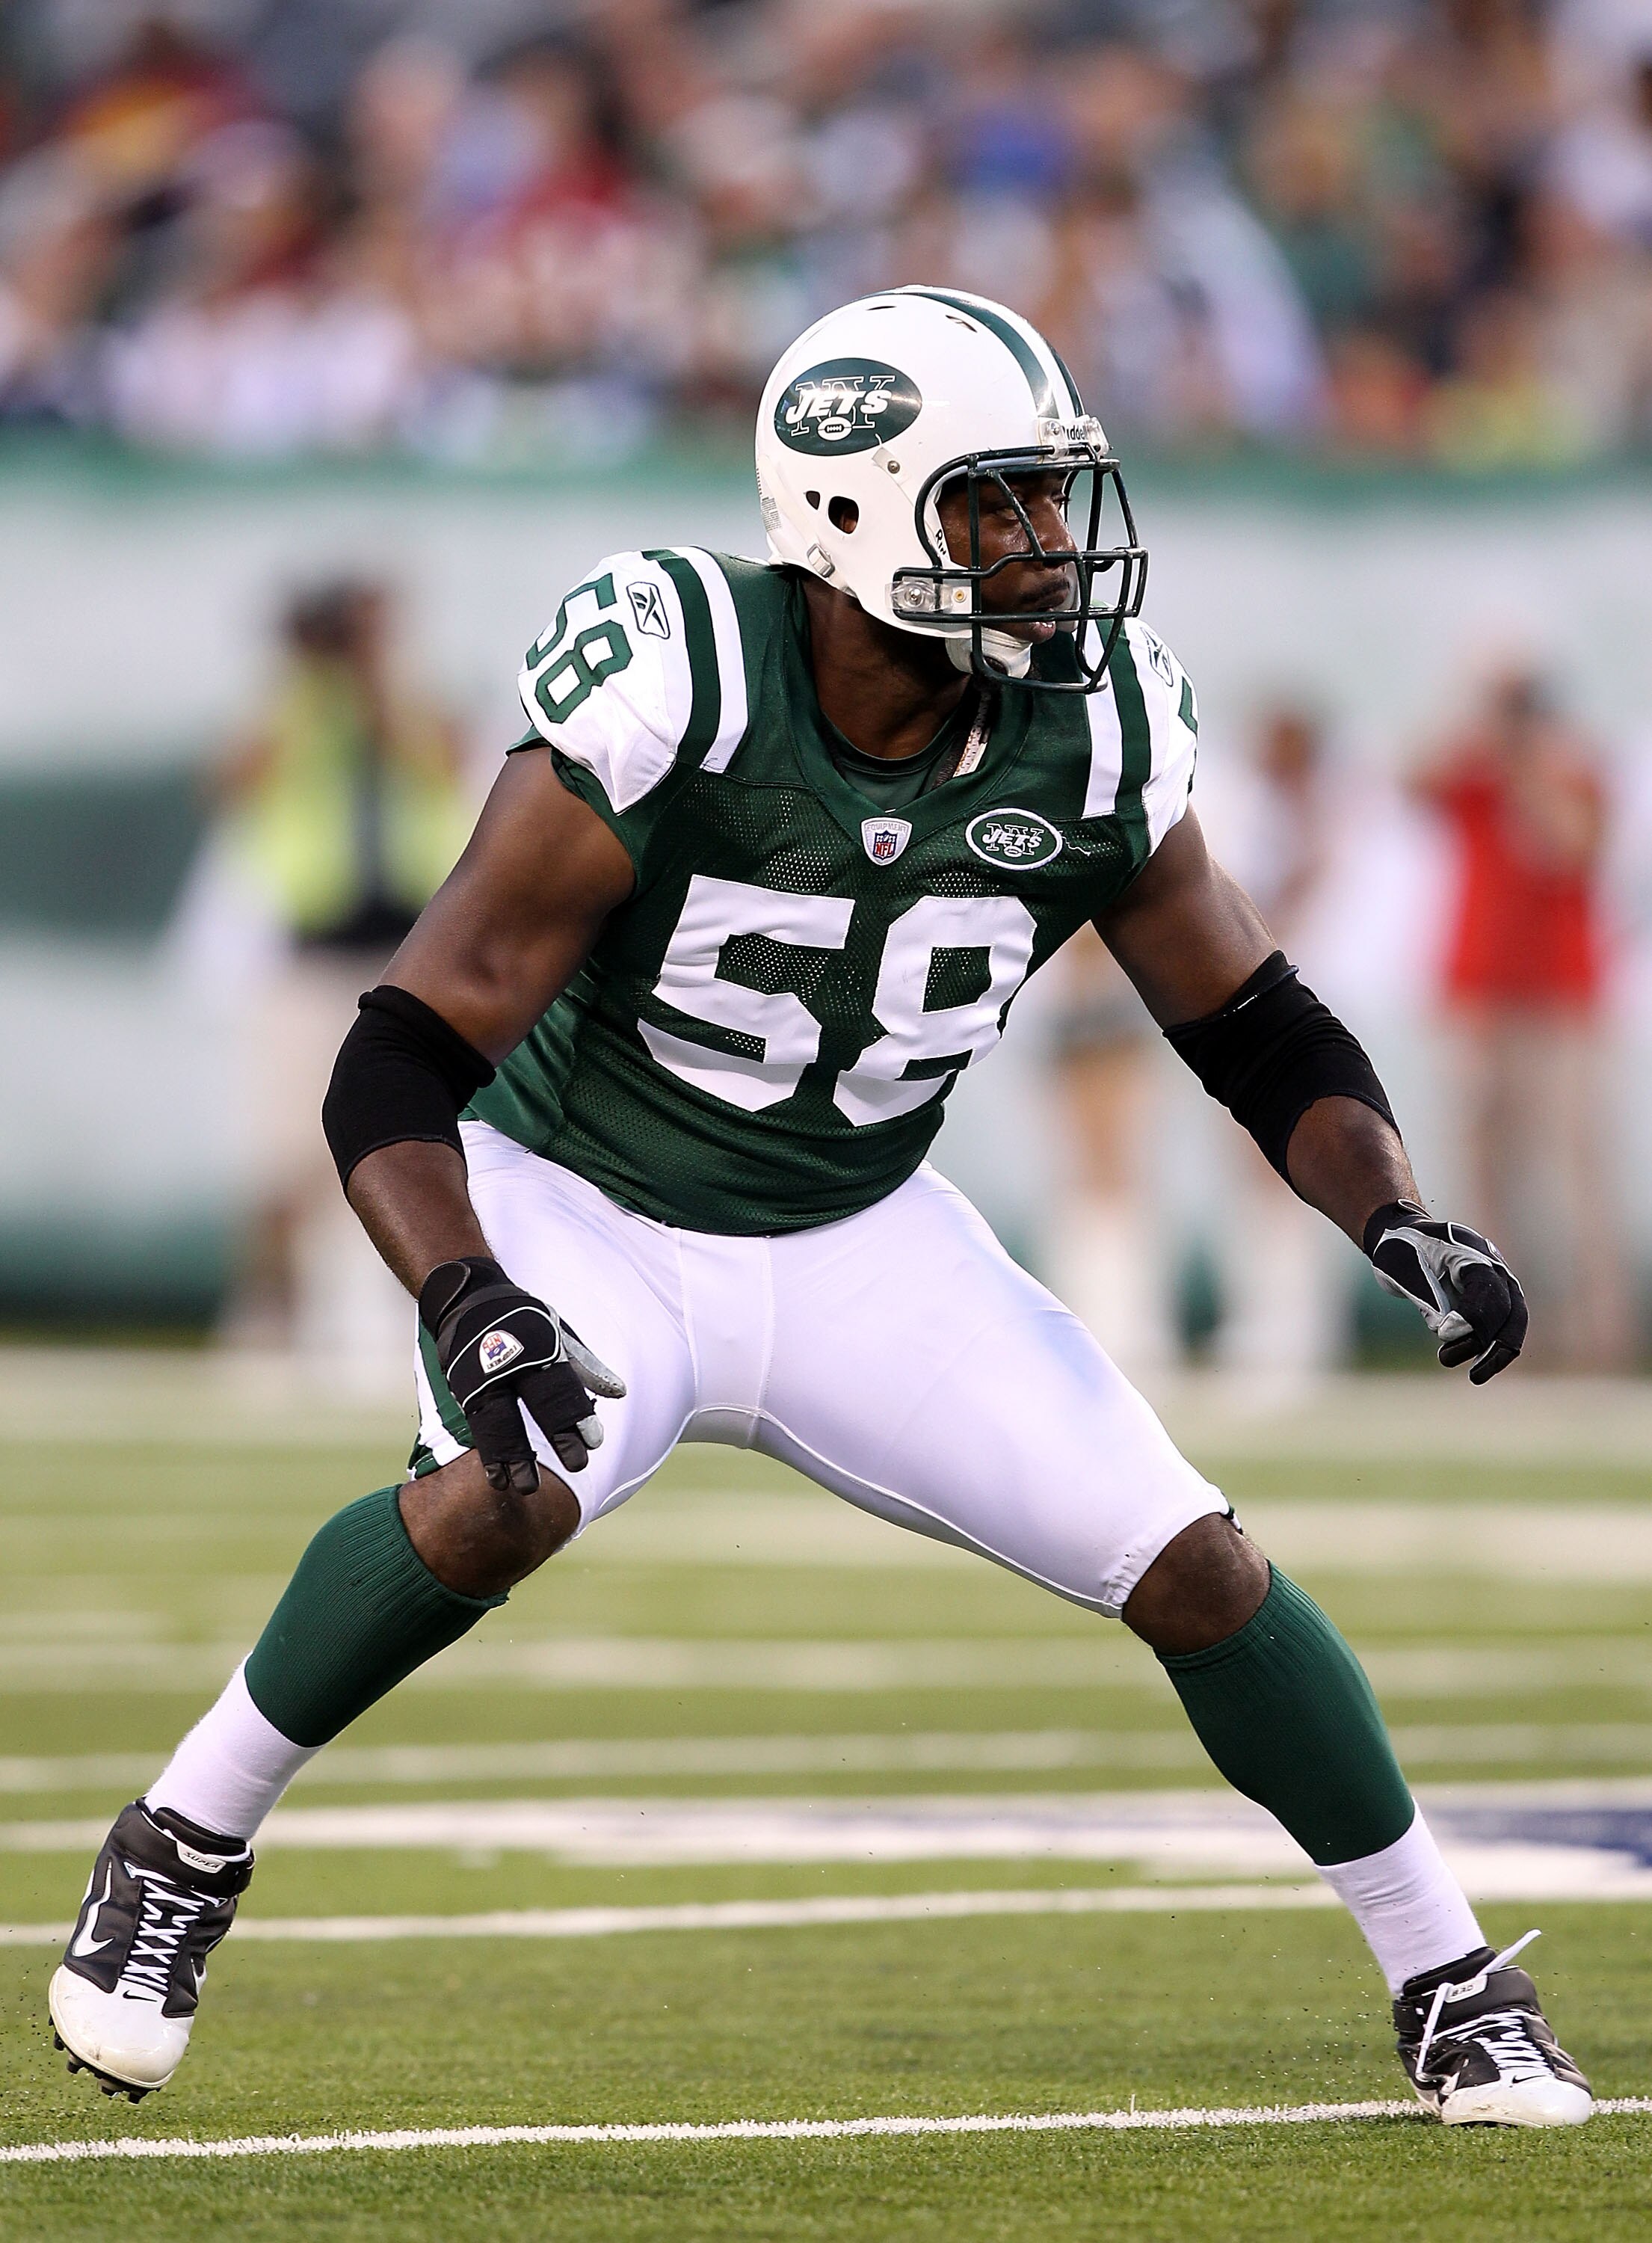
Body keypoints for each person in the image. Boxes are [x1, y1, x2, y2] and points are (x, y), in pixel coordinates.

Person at [50, 286, 1585, 2129]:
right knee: (500, 1494)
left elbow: (1249, 1018)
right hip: (583, 1197)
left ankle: (1449, 1979)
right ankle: (182, 1839)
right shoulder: (684, 668)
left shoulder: (1089, 722)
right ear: (850, 518)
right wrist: (470, 1292)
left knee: (1196, 1562)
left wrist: (1394, 1216)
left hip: (859, 1230)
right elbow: (396, 1053)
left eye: (1046, 501)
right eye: (990, 505)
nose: (1039, 549)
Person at [213, 577, 468, 1352]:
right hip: (311, 948)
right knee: (284, 1151)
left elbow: (442, 761)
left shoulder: (411, 703)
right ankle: (268, 1318)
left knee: (420, 1139)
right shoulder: (293, 709)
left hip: (405, 956)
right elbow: (234, 778)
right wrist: (301, 683)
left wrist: (374, 683)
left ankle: (421, 1319)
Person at [1414, 668, 1630, 1370]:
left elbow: (1572, 846)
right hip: (1481, 999)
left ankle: (1597, 1342)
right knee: (1484, 1176)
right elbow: (1410, 781)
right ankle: (1497, 1331)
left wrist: (1530, 765)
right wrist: (1474, 725)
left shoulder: (1575, 772)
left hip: (1561, 1002)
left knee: (1575, 1175)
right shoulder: (1472, 774)